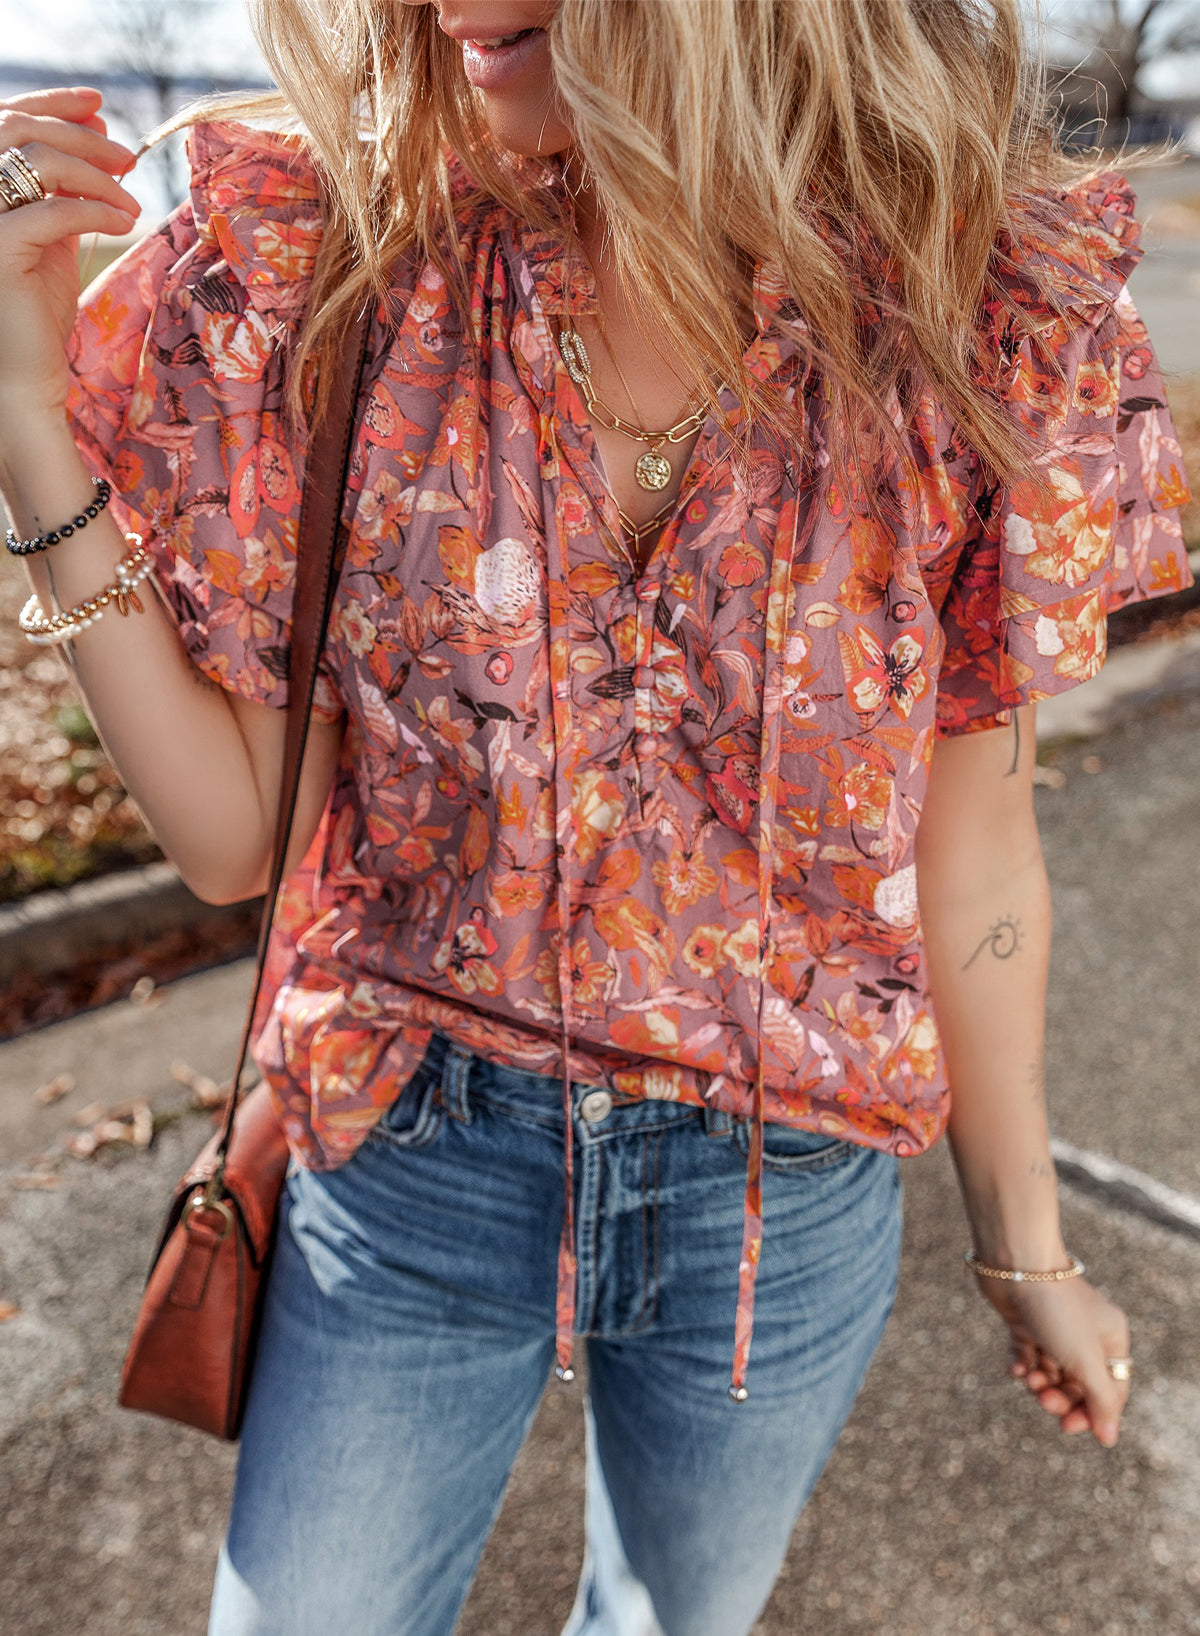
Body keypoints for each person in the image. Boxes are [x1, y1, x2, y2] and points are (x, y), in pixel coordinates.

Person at [0, 2, 1190, 1631]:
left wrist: (1026, 1251)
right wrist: (22, 418)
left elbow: (974, 857)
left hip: (781, 1200)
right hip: (412, 1151)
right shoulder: (343, 272)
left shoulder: (972, 317)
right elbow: (234, 840)